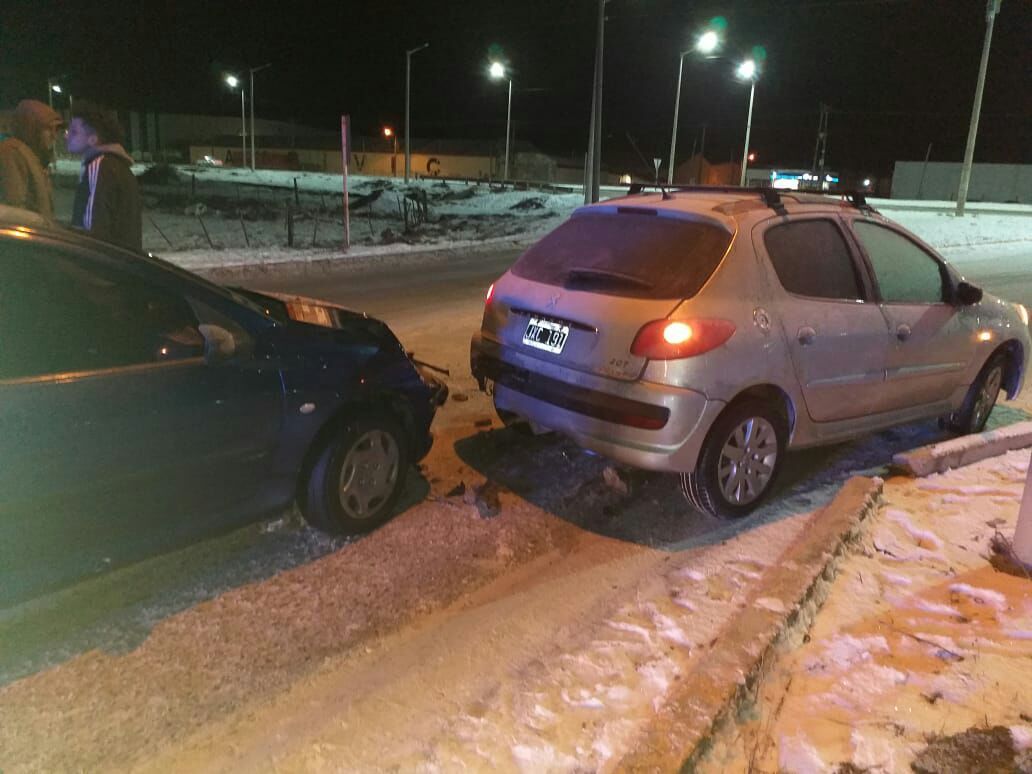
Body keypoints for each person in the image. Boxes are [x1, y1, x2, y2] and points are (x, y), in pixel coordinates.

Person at [66, 103, 142, 251]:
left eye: (74, 132)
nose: (67, 135)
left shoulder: (100, 166)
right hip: (123, 261)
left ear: (93, 139)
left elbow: (91, 227)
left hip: (102, 263)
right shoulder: (118, 166)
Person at [0, 99, 63, 221]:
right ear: (31, 127)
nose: (54, 136)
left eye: (56, 130)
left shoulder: (32, 154)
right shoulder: (13, 152)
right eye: (48, 129)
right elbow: (15, 207)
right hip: (28, 236)